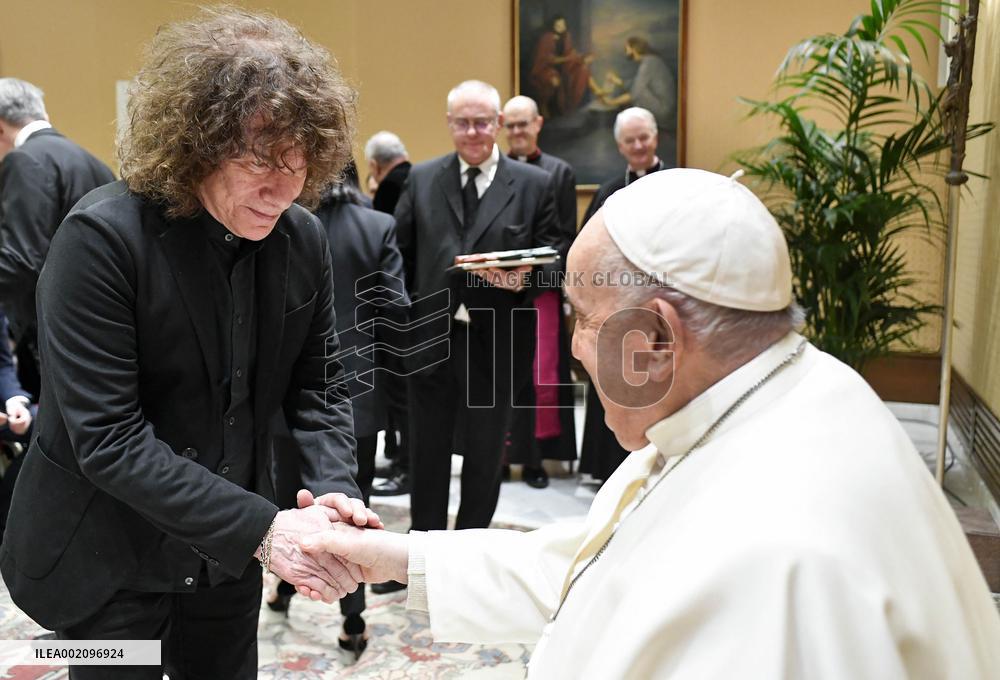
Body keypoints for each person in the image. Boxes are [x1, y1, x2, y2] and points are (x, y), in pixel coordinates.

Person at [303, 168, 1000, 679]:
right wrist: (396, 556)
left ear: (658, 338)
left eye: (584, 319)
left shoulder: (779, 561)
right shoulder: (773, 395)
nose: (574, 349)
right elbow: (597, 566)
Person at [0, 8, 380, 678]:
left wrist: (331, 491)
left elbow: (318, 386)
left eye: (300, 161)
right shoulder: (100, 240)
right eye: (261, 158)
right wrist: (265, 531)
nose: (284, 186)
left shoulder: (302, 239)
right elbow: (108, 439)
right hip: (105, 559)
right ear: (196, 141)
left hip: (223, 561)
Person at [384, 80, 561, 592]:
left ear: (499, 123)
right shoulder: (420, 178)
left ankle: (466, 568)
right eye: (462, 121)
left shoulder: (533, 183)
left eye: (483, 121)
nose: (473, 132)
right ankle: (421, 566)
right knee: (427, 453)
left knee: (485, 457)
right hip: (429, 337)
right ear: (449, 123)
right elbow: (399, 256)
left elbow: (556, 259)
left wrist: (523, 278)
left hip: (498, 340)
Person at [0, 77, 115, 396]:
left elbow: (21, 261)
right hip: (103, 322)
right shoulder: (91, 161)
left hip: (55, 328)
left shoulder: (24, 160)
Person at [579, 106, 665, 483]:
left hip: (662, 305)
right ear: (620, 146)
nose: (638, 145)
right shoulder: (609, 190)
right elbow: (587, 245)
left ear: (655, 137)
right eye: (630, 140)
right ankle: (608, 467)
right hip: (617, 306)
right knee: (616, 379)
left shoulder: (676, 182)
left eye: (643, 137)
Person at [502, 95, 578, 488]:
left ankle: (533, 459)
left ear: (538, 124)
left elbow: (565, 236)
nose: (517, 132)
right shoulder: (494, 171)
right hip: (498, 291)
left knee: (540, 376)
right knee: (499, 375)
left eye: (523, 124)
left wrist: (534, 274)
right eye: (510, 125)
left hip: (540, 291)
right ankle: (500, 455)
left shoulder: (559, 172)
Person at [363, 130, 413, 497]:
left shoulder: (388, 189)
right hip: (414, 303)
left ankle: (402, 463)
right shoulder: (420, 178)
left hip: (388, 307)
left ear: (375, 165)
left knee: (397, 397)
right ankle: (399, 456)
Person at [599, 36, 676, 127]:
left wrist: (611, 102)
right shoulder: (651, 60)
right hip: (664, 106)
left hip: (663, 109)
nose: (626, 51)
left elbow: (635, 93)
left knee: (638, 92)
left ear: (634, 49)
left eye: (627, 48)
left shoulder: (649, 63)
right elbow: (635, 84)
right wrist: (616, 80)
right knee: (637, 87)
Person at [529, 15, 595, 118]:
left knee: (582, 70)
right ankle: (544, 105)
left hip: (563, 67)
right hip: (545, 68)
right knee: (554, 81)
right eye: (558, 25)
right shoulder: (547, 38)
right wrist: (569, 58)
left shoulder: (566, 37)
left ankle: (569, 107)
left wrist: (581, 59)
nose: (561, 27)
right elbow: (548, 59)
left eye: (562, 24)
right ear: (553, 26)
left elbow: (570, 54)